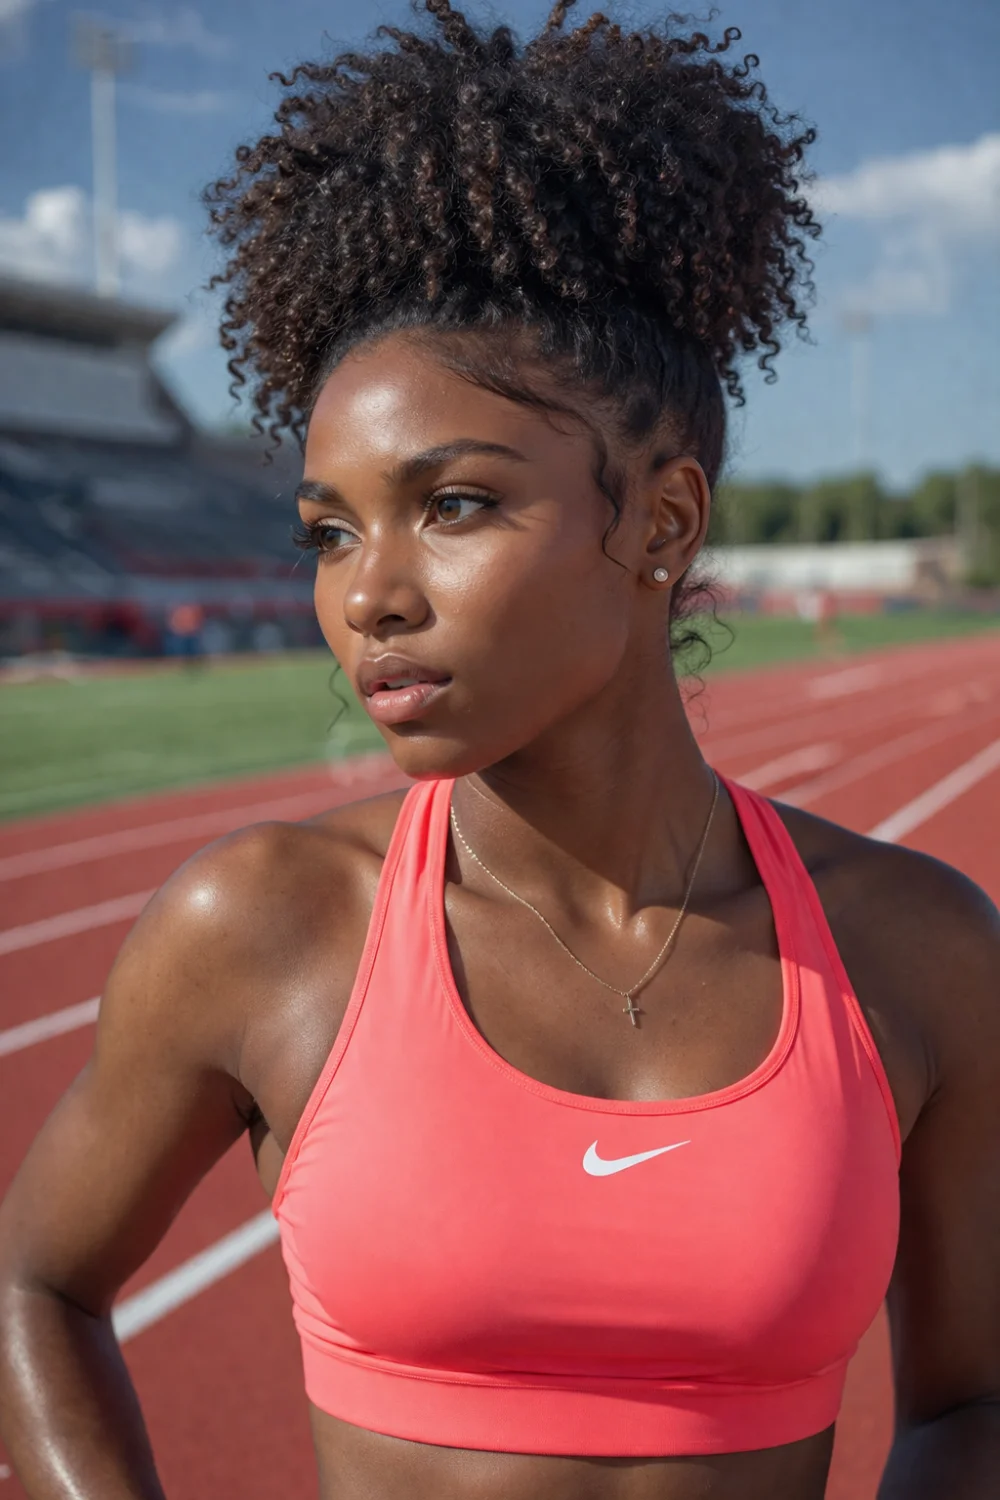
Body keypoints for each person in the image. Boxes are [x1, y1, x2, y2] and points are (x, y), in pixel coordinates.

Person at [1, 5, 998, 1498]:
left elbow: (975, 1401)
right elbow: (34, 1284)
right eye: (330, 532)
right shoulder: (263, 927)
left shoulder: (917, 952)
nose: (368, 595)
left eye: (452, 504)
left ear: (661, 522)